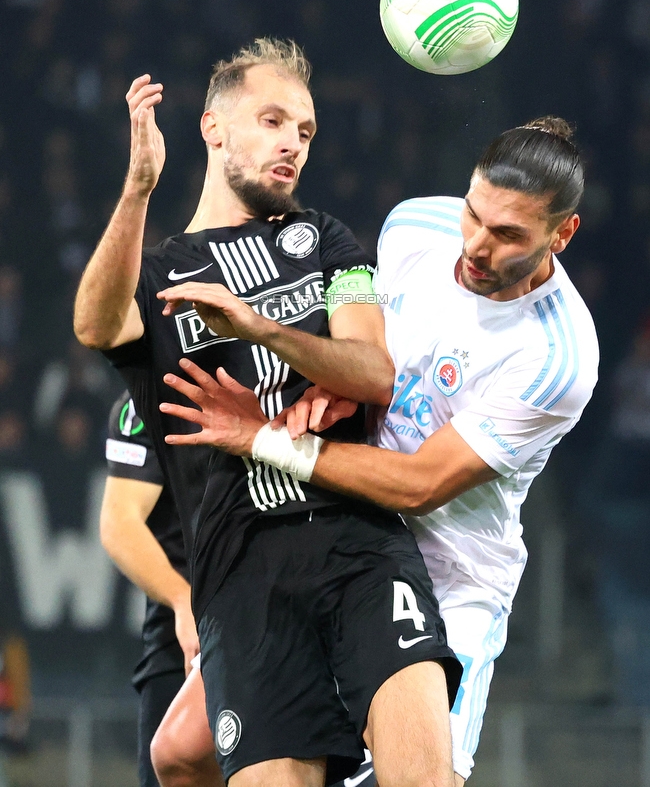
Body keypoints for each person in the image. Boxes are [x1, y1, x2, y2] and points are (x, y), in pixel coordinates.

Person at [158, 116, 599, 784]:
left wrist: (268, 440)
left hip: (450, 569)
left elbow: (421, 484)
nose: (477, 246)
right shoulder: (415, 226)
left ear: (561, 234)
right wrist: (330, 392)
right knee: (182, 751)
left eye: (509, 235)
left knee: (421, 776)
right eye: (474, 215)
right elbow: (373, 359)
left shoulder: (557, 357)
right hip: (340, 528)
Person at [74, 39, 461, 787]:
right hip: (242, 582)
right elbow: (95, 325)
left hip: (361, 550)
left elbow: (374, 370)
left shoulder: (325, 243)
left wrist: (257, 328)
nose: (292, 144)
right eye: (273, 121)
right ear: (214, 129)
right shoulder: (159, 276)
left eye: (306, 132)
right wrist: (137, 189)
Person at [100, 391, 223, 787]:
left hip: (266, 609)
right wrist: (182, 602)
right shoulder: (144, 400)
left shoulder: (270, 372)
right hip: (181, 635)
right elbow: (119, 521)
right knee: (169, 763)